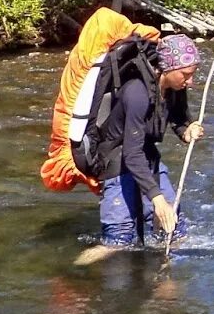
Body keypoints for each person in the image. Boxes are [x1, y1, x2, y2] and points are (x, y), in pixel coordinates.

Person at [76, 33, 205, 264]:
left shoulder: (175, 88)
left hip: (146, 157)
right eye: (186, 74)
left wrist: (186, 132)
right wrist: (157, 199)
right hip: (117, 163)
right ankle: (71, 272)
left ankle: (164, 276)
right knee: (117, 243)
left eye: (193, 74)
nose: (191, 81)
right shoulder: (137, 93)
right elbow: (131, 154)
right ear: (167, 68)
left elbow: (175, 118)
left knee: (174, 230)